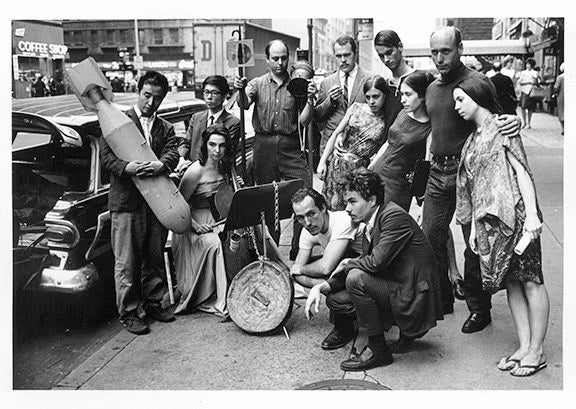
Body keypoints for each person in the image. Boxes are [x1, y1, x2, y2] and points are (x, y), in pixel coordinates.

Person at [423, 26, 520, 329]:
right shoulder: (431, 87)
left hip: (471, 175)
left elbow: (498, 119)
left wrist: (514, 122)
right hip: (438, 172)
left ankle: (479, 308)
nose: (439, 58)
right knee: (431, 236)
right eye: (434, 51)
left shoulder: (477, 83)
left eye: (446, 51)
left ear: (460, 49)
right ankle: (443, 299)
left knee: (475, 244)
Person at [454, 77, 549, 377]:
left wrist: (532, 215)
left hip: (518, 216)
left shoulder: (503, 127)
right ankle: (524, 346)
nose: (456, 106)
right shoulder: (472, 139)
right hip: (490, 226)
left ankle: (537, 350)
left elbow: (521, 170)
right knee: (511, 282)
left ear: (477, 96)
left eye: (460, 100)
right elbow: (472, 186)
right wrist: (471, 229)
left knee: (531, 280)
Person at [305, 168, 443, 370]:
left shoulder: (393, 216)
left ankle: (377, 349)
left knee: (356, 279)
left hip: (414, 295)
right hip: (401, 283)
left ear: (371, 200)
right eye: (346, 203)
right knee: (336, 298)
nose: (347, 209)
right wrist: (321, 287)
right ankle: (401, 333)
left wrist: (347, 263)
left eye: (353, 201)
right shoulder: (374, 219)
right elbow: (368, 260)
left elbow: (375, 263)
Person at [100, 70, 178, 335]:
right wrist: (127, 167)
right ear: (138, 91)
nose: (150, 102)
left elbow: (173, 153)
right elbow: (106, 157)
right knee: (127, 261)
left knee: (154, 255)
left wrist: (161, 165)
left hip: (157, 202)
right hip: (126, 203)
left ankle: (154, 301)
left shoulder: (166, 127)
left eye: (157, 98)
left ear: (163, 99)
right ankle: (130, 312)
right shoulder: (117, 122)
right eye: (146, 95)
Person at [234, 39, 316, 260]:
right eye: (275, 58)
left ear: (289, 58)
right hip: (264, 146)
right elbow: (243, 104)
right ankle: (271, 251)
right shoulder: (257, 84)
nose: (280, 63)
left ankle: (299, 248)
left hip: (290, 146)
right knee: (266, 199)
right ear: (267, 59)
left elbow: (305, 121)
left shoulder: (298, 83)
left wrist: (309, 100)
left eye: (283, 58)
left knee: (304, 191)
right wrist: (240, 89)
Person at [171, 124, 233, 317]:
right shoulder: (195, 171)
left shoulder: (225, 165)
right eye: (212, 144)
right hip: (192, 222)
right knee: (215, 243)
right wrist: (195, 226)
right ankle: (219, 298)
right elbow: (179, 206)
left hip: (217, 217)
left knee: (251, 231)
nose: (217, 150)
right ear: (205, 144)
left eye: (222, 146)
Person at [317, 75, 389, 210]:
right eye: (368, 97)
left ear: (384, 95)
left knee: (354, 210)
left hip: (359, 170)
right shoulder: (356, 108)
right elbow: (336, 133)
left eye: (376, 97)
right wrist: (322, 162)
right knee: (331, 208)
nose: (371, 101)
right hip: (337, 165)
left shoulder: (386, 119)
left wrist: (371, 167)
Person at [370, 70, 434, 212]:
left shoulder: (429, 128)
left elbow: (426, 165)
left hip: (398, 186)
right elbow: (388, 143)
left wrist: (421, 197)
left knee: (390, 224)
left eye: (408, 94)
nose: (402, 100)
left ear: (423, 96)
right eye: (402, 94)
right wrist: (371, 168)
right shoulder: (403, 113)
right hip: (378, 174)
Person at [314, 35, 373, 156]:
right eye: (338, 56)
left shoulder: (369, 80)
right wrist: (330, 101)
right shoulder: (326, 82)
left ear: (355, 54)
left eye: (347, 55)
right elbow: (318, 116)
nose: (343, 60)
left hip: (360, 147)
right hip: (330, 149)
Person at [177, 75, 240, 174]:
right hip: (191, 172)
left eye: (214, 93)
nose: (209, 97)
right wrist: (182, 158)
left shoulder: (233, 122)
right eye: (206, 92)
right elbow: (186, 143)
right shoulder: (196, 118)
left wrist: (195, 166)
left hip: (216, 174)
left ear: (224, 96)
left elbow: (225, 154)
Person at [518, 58, 539, 129]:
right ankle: (524, 122)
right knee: (523, 107)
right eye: (527, 64)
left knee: (530, 108)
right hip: (524, 91)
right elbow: (520, 82)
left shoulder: (535, 73)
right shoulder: (523, 72)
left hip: (531, 91)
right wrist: (528, 82)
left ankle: (529, 123)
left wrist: (535, 80)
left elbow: (537, 82)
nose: (527, 65)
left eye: (529, 64)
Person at [553, 62, 564, 135]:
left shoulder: (560, 77)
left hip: (562, 96)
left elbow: (556, 87)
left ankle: (564, 129)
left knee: (561, 112)